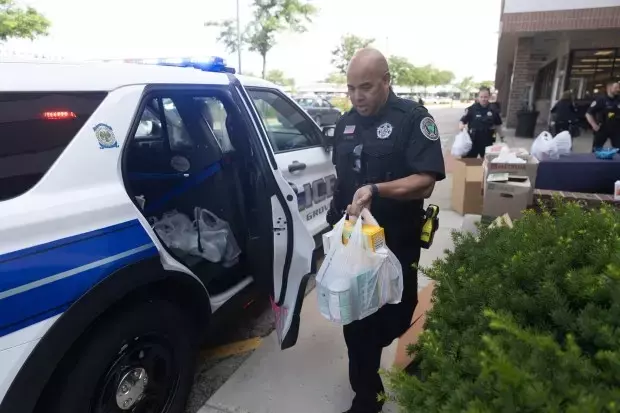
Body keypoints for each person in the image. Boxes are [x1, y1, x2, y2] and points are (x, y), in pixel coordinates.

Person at [326, 48, 445, 413]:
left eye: (365, 87)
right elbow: (343, 180)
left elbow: (425, 181)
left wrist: (376, 190)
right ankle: (366, 397)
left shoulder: (412, 119)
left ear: (386, 81)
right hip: (358, 244)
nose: (357, 96)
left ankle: (380, 354)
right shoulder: (345, 124)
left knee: (396, 312)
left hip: (398, 241)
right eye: (351, 88)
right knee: (357, 321)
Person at [459, 87, 503, 158]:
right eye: (481, 97)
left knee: (487, 162)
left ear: (489, 97)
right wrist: (461, 125)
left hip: (487, 140)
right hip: (473, 140)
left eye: (485, 97)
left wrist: (502, 137)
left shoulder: (493, 109)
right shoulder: (472, 109)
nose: (483, 99)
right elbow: (462, 120)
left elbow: (498, 125)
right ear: (478, 97)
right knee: (469, 162)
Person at [586, 81, 620, 150]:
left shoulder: (619, 99)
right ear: (609, 88)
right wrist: (594, 125)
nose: (618, 89)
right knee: (596, 150)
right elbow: (588, 113)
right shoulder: (601, 100)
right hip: (602, 128)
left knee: (618, 150)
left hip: (617, 129)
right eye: (616, 88)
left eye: (619, 88)